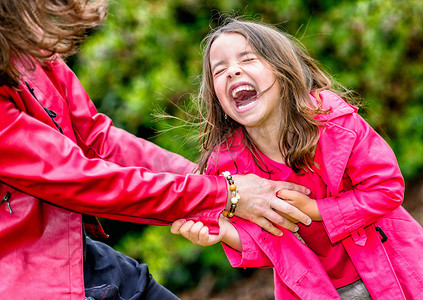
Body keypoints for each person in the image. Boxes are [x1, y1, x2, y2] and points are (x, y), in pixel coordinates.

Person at [0, 2, 314, 300]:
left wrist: (213, 180)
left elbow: (98, 140)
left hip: (80, 255)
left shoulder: (32, 51)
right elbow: (79, 178)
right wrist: (225, 195)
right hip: (29, 279)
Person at [171, 18, 423, 299]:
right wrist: (223, 232)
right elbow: (269, 244)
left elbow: (386, 190)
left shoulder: (333, 122)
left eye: (248, 58)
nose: (232, 71)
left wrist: (314, 209)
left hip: (394, 269)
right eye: (219, 70)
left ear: (282, 70)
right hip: (316, 291)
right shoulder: (230, 167)